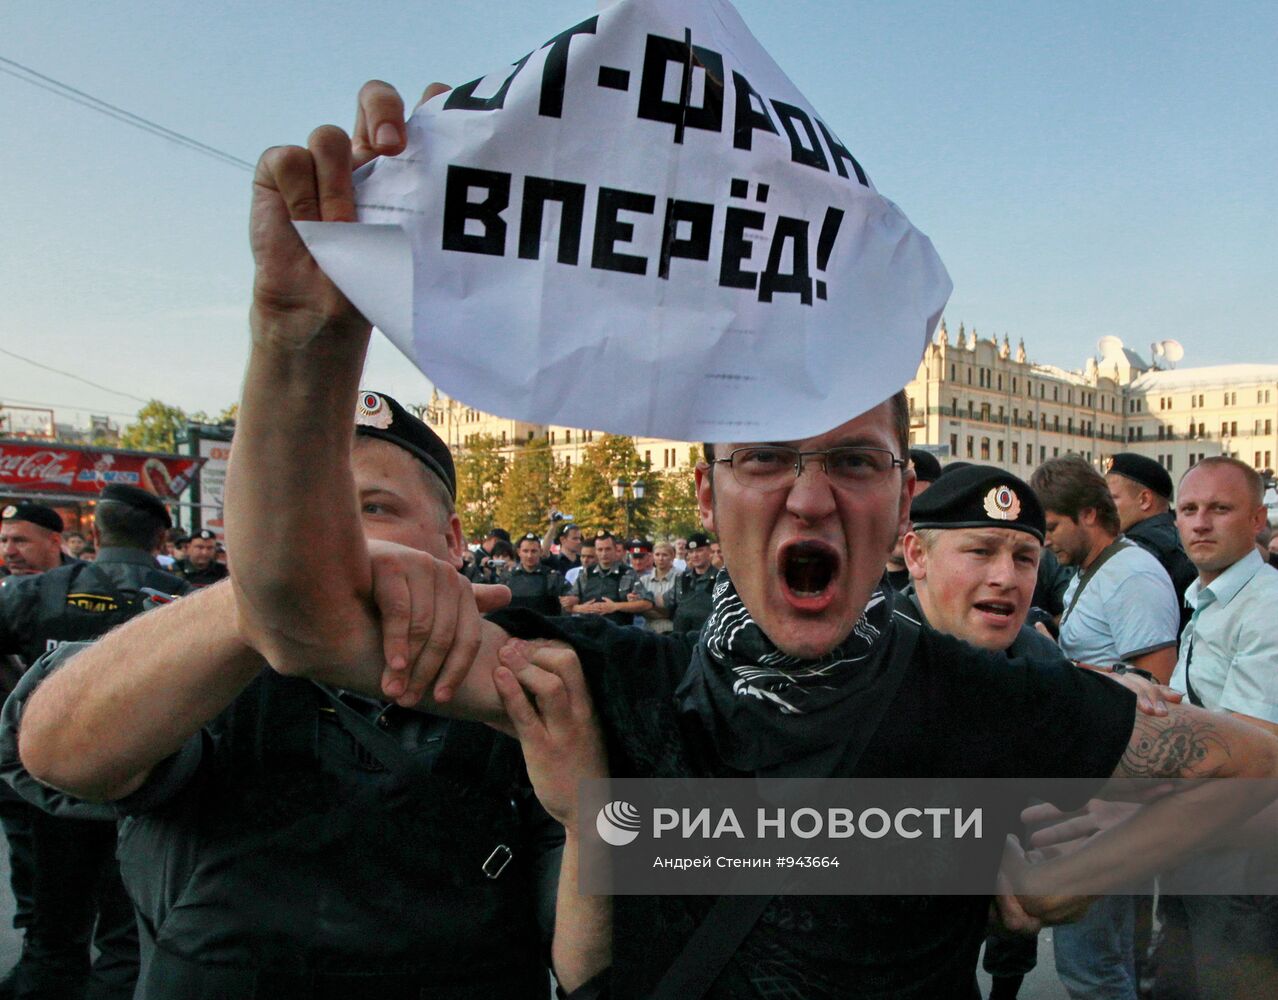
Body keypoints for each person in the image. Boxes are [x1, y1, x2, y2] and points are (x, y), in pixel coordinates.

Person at [180, 82, 1278, 998]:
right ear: (709, 496)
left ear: (901, 504)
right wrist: (301, 343)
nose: (807, 501)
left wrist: (1098, 854)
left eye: (852, 461)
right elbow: (296, 617)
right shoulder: (610, 682)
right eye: (762, 457)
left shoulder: (994, 702)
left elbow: (1256, 767)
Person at [9, 392, 607, 998]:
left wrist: (591, 817)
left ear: (452, 540)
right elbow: (52, 754)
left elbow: (602, 965)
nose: (336, 541)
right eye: (299, 514)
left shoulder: (537, 679)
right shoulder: (203, 664)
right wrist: (257, 607)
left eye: (373, 508)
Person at [903, 466, 1181, 1000]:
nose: (1006, 576)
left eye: (1025, 557)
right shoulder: (867, 657)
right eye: (981, 552)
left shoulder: (1035, 654)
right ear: (918, 556)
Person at [0, 484, 190, 1000]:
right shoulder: (188, 602)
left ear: (96, 532)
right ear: (161, 536)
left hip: (53, 790)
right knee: (127, 935)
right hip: (148, 793)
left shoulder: (32, 594)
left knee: (53, 925)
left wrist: (17, 713)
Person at [1031, 456, 1182, 1000]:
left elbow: (1157, 693)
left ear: (1088, 514)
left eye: (1051, 527)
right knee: (1106, 960)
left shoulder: (1132, 574)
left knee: (1090, 966)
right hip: (1098, 783)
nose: (1044, 541)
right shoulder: (1096, 570)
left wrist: (1060, 667)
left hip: (1114, 794)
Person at [1155, 457, 1278, 1000]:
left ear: (1256, 520)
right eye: (1189, 510)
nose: (1200, 523)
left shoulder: (1266, 607)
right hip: (1198, 837)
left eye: (1219, 509)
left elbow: (1255, 750)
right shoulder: (1209, 596)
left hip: (1241, 853)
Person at [1106, 453, 1196, 627]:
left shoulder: (1140, 549)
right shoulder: (1172, 536)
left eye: (1112, 498)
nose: (1104, 507)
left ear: (1145, 500)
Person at [561, 532, 650, 626]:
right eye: (600, 549)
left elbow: (647, 603)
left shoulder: (628, 573)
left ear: (615, 550)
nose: (604, 553)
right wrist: (580, 609)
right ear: (595, 551)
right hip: (589, 631)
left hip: (618, 631)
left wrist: (615, 606)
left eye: (608, 549)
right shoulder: (586, 573)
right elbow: (567, 605)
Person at [662, 532, 720, 634]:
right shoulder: (681, 578)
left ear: (709, 552)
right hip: (681, 638)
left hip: (707, 638)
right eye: (691, 552)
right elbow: (666, 600)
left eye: (699, 551)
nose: (695, 555)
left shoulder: (720, 578)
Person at [506, 532, 566, 616]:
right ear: (519, 552)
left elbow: (569, 600)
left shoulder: (552, 577)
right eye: (525, 551)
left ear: (541, 552)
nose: (529, 555)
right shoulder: (507, 577)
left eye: (533, 551)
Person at [0, 505, 65, 578]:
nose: (8, 551)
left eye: (20, 541)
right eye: (3, 541)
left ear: (54, 542)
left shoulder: (78, 581)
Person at [637, 541, 679, 635]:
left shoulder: (680, 577)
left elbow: (677, 609)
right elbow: (639, 608)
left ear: (672, 556)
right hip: (648, 632)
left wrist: (648, 605)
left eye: (665, 555)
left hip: (672, 631)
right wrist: (665, 613)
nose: (661, 558)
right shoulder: (644, 580)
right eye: (657, 554)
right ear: (652, 556)